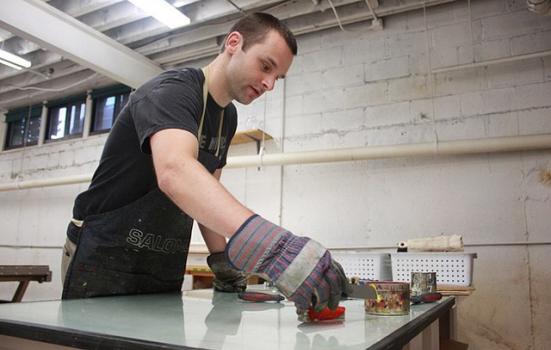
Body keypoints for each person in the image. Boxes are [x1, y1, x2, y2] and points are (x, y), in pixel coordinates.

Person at [61, 12, 346, 313]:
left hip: (161, 260)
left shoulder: (227, 117)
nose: (269, 84)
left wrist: (223, 260)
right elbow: (175, 172)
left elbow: (203, 191)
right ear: (233, 43)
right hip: (103, 255)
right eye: (266, 66)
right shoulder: (174, 91)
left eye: (277, 77)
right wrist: (274, 247)